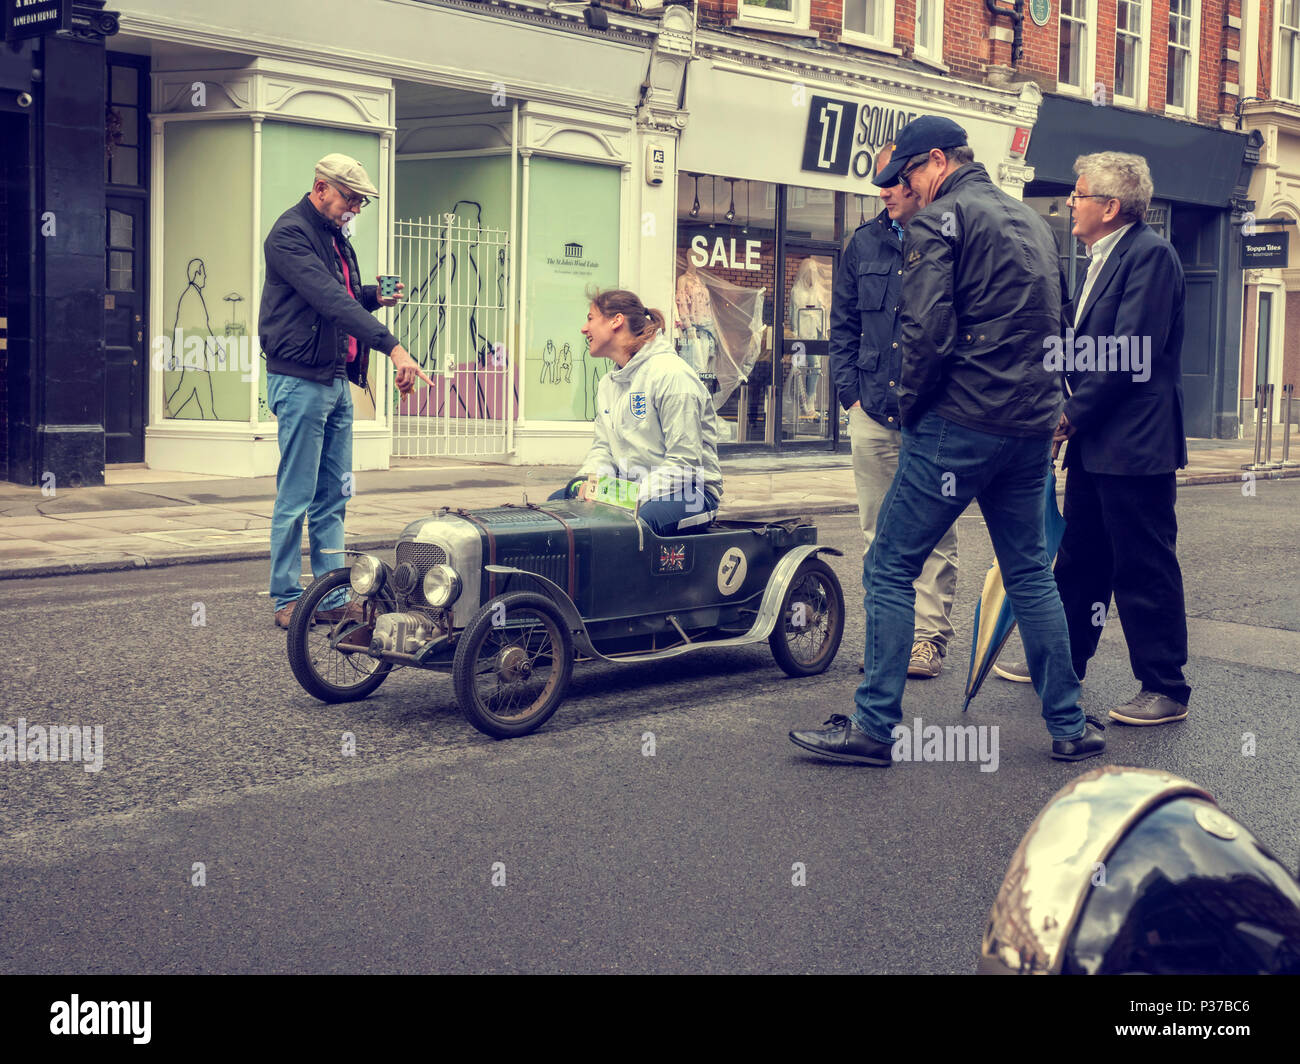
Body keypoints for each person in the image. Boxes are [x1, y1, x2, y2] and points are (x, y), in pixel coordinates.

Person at [789, 116, 1105, 766]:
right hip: (1029, 428)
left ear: (936, 161)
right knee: (1028, 574)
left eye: (906, 175)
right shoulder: (1035, 226)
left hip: (962, 425)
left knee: (889, 564)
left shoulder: (939, 222)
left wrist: (909, 412)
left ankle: (874, 727)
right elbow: (1059, 327)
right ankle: (1070, 724)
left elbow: (925, 335)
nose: (903, 188)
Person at [1046, 153, 1190, 725]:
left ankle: (1165, 687)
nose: (1070, 204)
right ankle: (1063, 664)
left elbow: (1131, 353)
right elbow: (1085, 350)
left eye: (1079, 195)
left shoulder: (1150, 255)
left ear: (1110, 206)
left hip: (1134, 445)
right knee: (1080, 560)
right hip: (1095, 442)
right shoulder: (1100, 259)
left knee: (1142, 566)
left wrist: (1069, 416)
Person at [260, 153, 432, 629]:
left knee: (333, 496)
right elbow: (328, 299)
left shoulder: (335, 237)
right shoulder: (290, 234)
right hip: (299, 379)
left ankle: (332, 594)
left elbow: (344, 298)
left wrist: (375, 296)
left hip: (335, 377)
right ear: (320, 188)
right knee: (295, 497)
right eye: (350, 197)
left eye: (360, 201)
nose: (355, 207)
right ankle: (286, 598)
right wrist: (393, 347)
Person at [829, 143, 958, 679]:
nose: (883, 189)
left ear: (918, 178)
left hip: (932, 413)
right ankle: (888, 637)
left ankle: (927, 640)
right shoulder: (863, 243)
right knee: (877, 530)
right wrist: (849, 394)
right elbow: (842, 326)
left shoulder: (951, 238)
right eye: (878, 181)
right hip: (873, 411)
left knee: (934, 529)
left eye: (893, 179)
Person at [553, 289, 723, 537]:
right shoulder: (608, 384)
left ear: (616, 321)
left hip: (690, 495)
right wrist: (588, 484)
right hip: (631, 489)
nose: (583, 328)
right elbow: (603, 449)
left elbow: (684, 464)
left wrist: (625, 497)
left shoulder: (671, 376)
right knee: (556, 507)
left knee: (632, 527)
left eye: (590, 318)